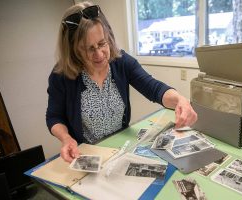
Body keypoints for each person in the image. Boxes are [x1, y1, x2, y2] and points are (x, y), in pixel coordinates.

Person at [46, 1, 197, 163]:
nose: (99, 54)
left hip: (120, 148)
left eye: (102, 43)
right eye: (89, 48)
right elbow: (54, 117)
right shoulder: (61, 76)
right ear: (73, 50)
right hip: (86, 154)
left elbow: (154, 88)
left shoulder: (122, 62)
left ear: (108, 37)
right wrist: (66, 139)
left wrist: (181, 101)